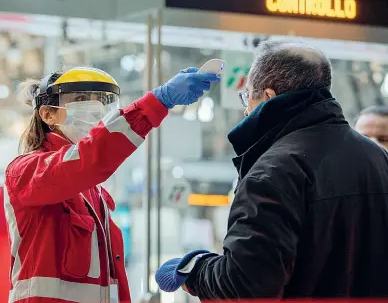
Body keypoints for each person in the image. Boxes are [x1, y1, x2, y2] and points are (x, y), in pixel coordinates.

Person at [156, 40, 388, 299]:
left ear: (268, 97)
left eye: (247, 97)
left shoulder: (273, 171)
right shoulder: (378, 158)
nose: (246, 110)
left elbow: (245, 287)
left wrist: (195, 270)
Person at [4, 66, 220, 303]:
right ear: (47, 115)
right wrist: (156, 103)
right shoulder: (26, 171)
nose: (94, 107)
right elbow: (90, 158)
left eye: (99, 100)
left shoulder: (92, 192)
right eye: (80, 99)